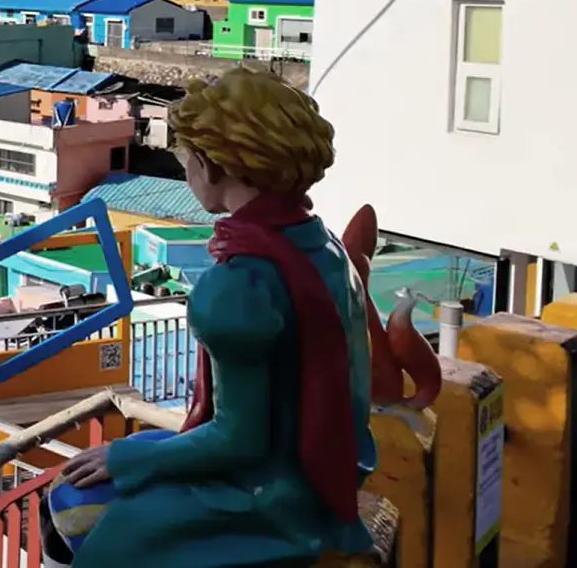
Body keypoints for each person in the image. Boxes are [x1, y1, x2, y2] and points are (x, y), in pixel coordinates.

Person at [47, 68, 377, 567]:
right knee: (136, 453)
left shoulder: (238, 285)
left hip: (276, 492)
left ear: (212, 166)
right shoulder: (323, 247)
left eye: (188, 162)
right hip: (330, 462)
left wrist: (125, 457)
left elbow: (239, 440)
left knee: (93, 518)